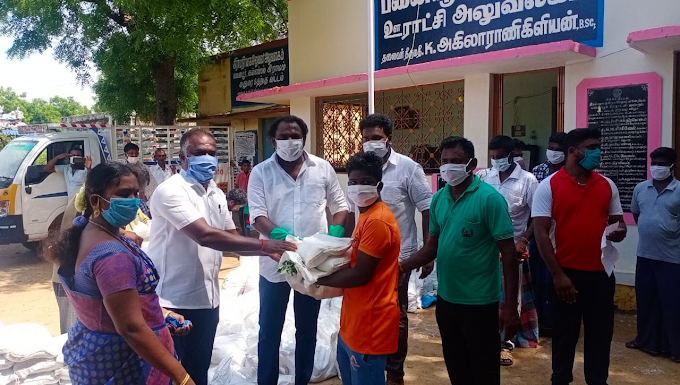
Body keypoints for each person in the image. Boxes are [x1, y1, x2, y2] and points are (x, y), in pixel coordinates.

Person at [147, 129, 297, 385]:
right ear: (182, 157)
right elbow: (205, 235)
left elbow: (232, 237)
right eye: (199, 153)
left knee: (198, 369)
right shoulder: (171, 191)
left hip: (207, 299)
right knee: (171, 374)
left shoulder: (215, 192)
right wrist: (264, 246)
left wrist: (276, 251)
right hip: (173, 300)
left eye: (212, 153)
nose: (207, 159)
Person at [44, 162, 196, 385]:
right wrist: (182, 376)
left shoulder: (86, 230)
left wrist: (160, 314)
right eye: (123, 194)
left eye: (136, 193)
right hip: (128, 361)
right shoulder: (113, 257)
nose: (134, 200)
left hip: (96, 352)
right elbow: (132, 327)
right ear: (96, 201)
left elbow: (109, 299)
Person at [401, 136, 520, 385]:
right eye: (444, 161)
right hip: (447, 301)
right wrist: (400, 267)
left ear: (472, 164)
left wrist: (509, 308)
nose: (448, 167)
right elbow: (431, 247)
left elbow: (509, 255)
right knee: (457, 367)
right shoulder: (438, 199)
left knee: (484, 371)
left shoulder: (489, 199)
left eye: (456, 161)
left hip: (480, 302)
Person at [248, 115, 349, 385]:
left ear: (304, 138)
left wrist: (334, 236)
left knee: (307, 329)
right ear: (273, 141)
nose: (290, 141)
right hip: (276, 262)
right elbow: (257, 215)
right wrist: (284, 240)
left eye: (295, 136)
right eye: (284, 136)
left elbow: (340, 207)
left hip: (313, 264)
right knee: (269, 330)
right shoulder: (260, 172)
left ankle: (301, 380)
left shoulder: (322, 168)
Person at [532, 128, 627, 385]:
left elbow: (618, 222)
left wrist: (619, 231)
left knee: (600, 336)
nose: (598, 152)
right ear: (573, 152)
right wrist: (557, 275)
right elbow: (540, 233)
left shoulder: (606, 185)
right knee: (564, 336)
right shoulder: (548, 186)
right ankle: (560, 380)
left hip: (600, 274)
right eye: (593, 147)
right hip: (566, 275)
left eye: (598, 146)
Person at [344, 113, 433, 385]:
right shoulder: (359, 170)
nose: (371, 143)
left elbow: (427, 208)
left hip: (399, 258)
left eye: (377, 138)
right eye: (366, 138)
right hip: (364, 253)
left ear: (388, 139)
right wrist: (341, 248)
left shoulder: (408, 168)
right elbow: (351, 214)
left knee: (396, 314)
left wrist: (428, 251)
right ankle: (368, 358)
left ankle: (394, 373)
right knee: (365, 309)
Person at [317, 151, 400, 385]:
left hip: (371, 324)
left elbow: (360, 275)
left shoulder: (377, 221)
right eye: (353, 182)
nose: (358, 188)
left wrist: (316, 277)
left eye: (366, 182)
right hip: (354, 319)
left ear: (379, 185)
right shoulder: (365, 214)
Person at [482, 135, 539, 365]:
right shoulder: (484, 177)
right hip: (485, 250)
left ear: (512, 154)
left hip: (512, 250)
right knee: (487, 297)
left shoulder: (528, 181)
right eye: (492, 157)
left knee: (509, 298)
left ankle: (506, 344)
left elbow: (538, 216)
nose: (496, 161)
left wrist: (524, 240)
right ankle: (487, 339)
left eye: (499, 157)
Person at [626, 147, 680, 363]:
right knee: (646, 300)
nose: (657, 167)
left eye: (662, 163)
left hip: (673, 259)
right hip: (646, 255)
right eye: (654, 162)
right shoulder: (641, 188)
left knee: (672, 304)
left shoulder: (679, 190)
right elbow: (637, 214)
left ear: (672, 166)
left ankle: (674, 348)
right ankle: (646, 341)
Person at [529, 132, 567, 335]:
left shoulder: (570, 174)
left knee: (555, 278)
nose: (553, 153)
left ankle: (555, 321)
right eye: (551, 148)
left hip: (561, 234)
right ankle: (540, 321)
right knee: (537, 278)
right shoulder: (538, 171)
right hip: (538, 231)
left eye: (558, 150)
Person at [122, 143, 152, 218]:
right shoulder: (121, 168)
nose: (134, 156)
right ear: (126, 154)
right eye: (131, 153)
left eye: (136, 153)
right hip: (126, 200)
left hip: (142, 200)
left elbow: (151, 183)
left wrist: (146, 193)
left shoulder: (144, 168)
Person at [235, 159, 252, 236]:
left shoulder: (251, 174)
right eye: (244, 166)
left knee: (248, 213)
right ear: (242, 167)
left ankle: (248, 228)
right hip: (242, 196)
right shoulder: (239, 175)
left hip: (250, 196)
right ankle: (243, 229)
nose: (246, 167)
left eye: (248, 166)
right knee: (241, 214)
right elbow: (236, 185)